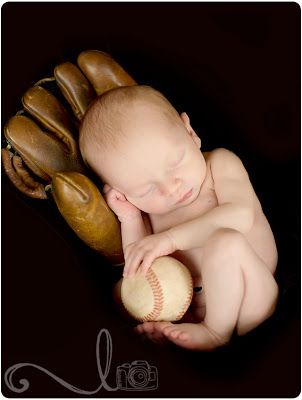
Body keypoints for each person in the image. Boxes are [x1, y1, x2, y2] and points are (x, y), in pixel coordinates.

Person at [79, 85, 278, 351]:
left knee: (226, 242)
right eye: (145, 189)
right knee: (121, 292)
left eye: (175, 163)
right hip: (188, 307)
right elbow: (141, 267)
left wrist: (170, 239)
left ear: (190, 133)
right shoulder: (146, 211)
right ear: (123, 192)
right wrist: (130, 219)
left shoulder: (219, 164)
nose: (170, 188)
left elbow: (241, 216)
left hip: (251, 299)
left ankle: (216, 333)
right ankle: (168, 332)